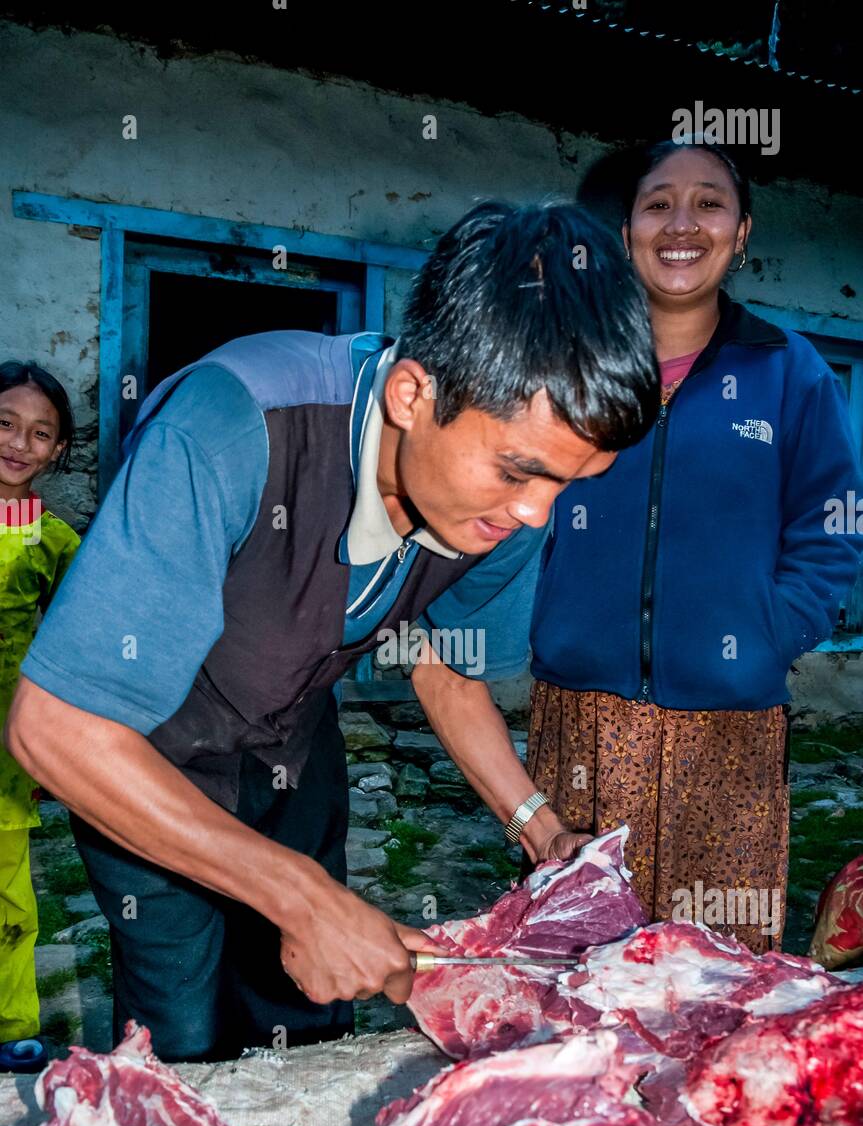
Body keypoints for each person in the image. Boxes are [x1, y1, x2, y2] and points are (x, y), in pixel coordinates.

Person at [5, 201, 659, 1061]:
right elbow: (57, 728)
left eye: (571, 483)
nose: (538, 513)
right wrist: (295, 894)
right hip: (143, 754)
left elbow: (446, 666)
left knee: (308, 1025)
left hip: (292, 742)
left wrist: (538, 827)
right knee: (181, 1036)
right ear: (412, 393)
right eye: (517, 472)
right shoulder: (231, 425)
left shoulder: (516, 503)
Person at [528, 140, 863, 953]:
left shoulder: (788, 370)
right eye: (656, 204)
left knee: (716, 970)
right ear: (626, 229)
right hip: (581, 718)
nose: (682, 223)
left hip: (728, 730)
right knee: (571, 969)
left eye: (709, 203)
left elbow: (837, 523)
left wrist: (766, 633)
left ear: (741, 231)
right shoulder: (570, 361)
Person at [0, 362, 80, 1073]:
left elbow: (82, 639)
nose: (19, 443)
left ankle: (10, 1023)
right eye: (5, 423)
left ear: (57, 451)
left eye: (40, 433)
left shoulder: (55, 542)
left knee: (7, 892)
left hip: (5, 742)